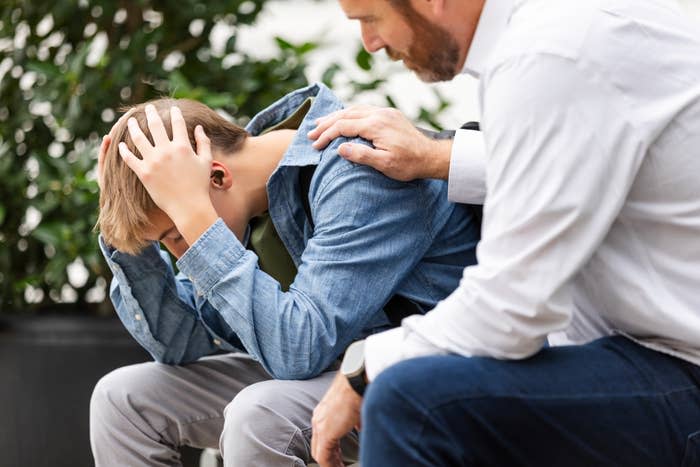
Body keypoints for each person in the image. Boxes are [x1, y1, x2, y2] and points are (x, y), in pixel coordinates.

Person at [310, 0, 700, 466]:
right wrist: (437, 157)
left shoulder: (549, 52)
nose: (371, 44)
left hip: (678, 364)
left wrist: (365, 367)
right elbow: (571, 161)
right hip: (652, 354)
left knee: (413, 403)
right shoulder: (565, 26)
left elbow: (513, 308)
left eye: (370, 19)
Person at [90, 83, 481, 466]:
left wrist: (197, 221)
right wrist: (128, 241)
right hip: (326, 377)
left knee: (259, 416)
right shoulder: (237, 209)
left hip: (426, 377)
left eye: (175, 235)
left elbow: (299, 351)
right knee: (121, 400)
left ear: (218, 177)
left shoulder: (356, 167)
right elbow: (185, 347)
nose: (183, 253)